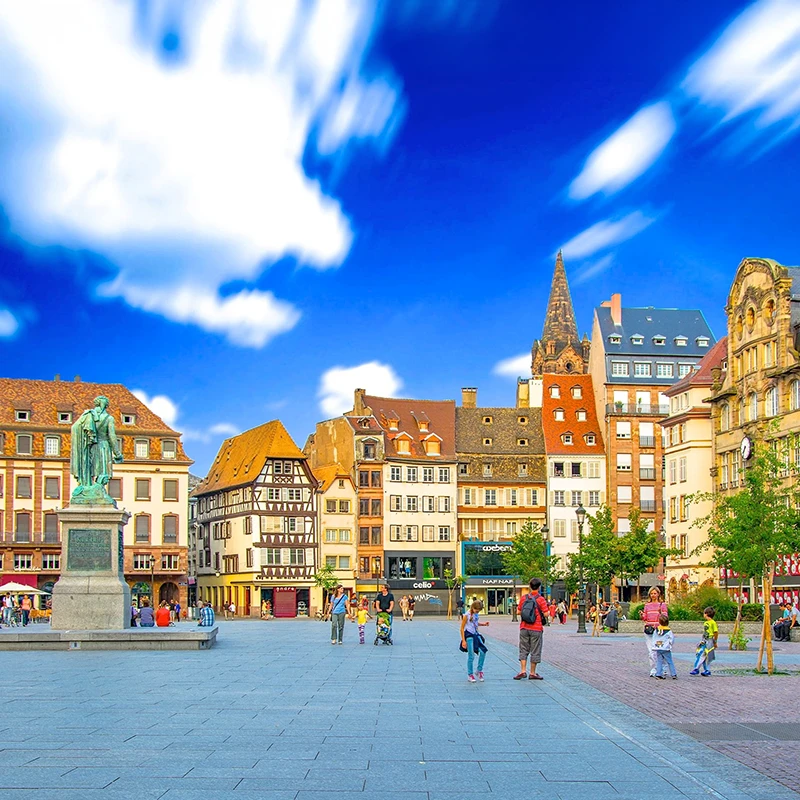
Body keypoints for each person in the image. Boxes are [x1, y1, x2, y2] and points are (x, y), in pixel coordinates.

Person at [514, 578, 550, 681]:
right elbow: (546, 614)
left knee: (523, 648)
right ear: (539, 587)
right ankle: (533, 673)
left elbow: (518, 612)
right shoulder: (541, 599)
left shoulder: (524, 598)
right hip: (536, 628)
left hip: (524, 627)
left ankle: (522, 671)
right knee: (535, 649)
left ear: (530, 586)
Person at [461, 600, 490, 682]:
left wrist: (483, 624)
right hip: (469, 635)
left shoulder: (476, 614)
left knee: (483, 651)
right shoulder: (466, 615)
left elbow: (475, 623)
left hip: (476, 634)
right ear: (473, 607)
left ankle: (479, 670)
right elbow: (462, 628)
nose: (477, 612)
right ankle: (470, 674)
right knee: (471, 655)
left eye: (479, 611)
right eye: (476, 610)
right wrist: (463, 640)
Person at [642, 587, 668, 677]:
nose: (653, 595)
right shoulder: (647, 605)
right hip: (649, 630)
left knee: (661, 650)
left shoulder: (662, 605)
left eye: (655, 593)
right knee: (651, 650)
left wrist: (661, 614)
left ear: (658, 594)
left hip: (659, 630)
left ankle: (663, 668)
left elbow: (665, 618)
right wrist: (642, 615)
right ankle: (654, 668)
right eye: (651, 593)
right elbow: (645, 618)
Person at [690, 606, 718, 676]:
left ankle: (696, 669)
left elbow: (715, 632)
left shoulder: (713, 623)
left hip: (710, 640)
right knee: (703, 655)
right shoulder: (706, 623)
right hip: (705, 640)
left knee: (704, 655)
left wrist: (715, 641)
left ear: (706, 614)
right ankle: (706, 670)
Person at [653, 614, 677, 679]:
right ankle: (673, 674)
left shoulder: (656, 630)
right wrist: (670, 645)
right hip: (666, 648)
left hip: (658, 647)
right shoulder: (669, 631)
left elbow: (654, 638)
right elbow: (672, 639)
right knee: (669, 661)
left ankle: (658, 674)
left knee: (659, 661)